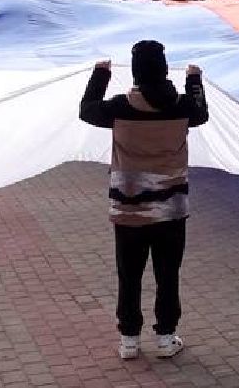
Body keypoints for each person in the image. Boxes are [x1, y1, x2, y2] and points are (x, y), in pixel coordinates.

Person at [80, 41, 209, 360]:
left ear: (135, 72)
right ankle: (166, 337)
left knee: (129, 274)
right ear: (165, 69)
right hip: (171, 209)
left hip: (129, 209)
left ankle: (129, 340)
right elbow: (201, 113)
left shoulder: (120, 107)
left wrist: (100, 74)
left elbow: (86, 109)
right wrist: (194, 79)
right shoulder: (180, 107)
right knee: (168, 274)